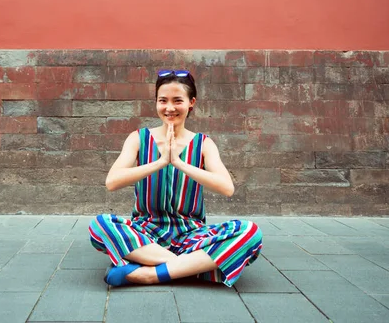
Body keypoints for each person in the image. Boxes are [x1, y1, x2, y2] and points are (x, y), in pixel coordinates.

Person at [88, 69, 263, 287]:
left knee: (251, 233)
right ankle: (190, 267)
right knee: (99, 226)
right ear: (156, 103)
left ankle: (148, 273)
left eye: (177, 100)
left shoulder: (203, 143)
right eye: (163, 101)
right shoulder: (139, 139)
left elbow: (227, 188)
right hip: (146, 232)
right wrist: (161, 162)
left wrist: (179, 163)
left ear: (191, 102)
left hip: (191, 235)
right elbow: (112, 182)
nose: (169, 108)